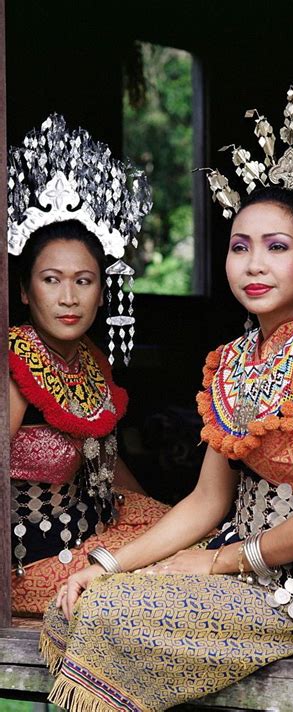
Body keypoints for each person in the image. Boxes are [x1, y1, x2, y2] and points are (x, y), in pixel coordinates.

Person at [40, 85, 293, 711]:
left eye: (277, 247)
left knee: (114, 621)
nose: (255, 263)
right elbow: (207, 498)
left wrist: (217, 565)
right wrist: (110, 564)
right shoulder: (231, 362)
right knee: (79, 601)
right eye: (240, 245)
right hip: (231, 556)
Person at [8, 116, 169, 615]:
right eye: (51, 279)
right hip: (30, 561)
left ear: (104, 292)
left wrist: (159, 522)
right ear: (23, 290)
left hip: (93, 531)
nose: (68, 297)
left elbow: (103, 461)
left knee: (190, 541)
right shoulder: (14, 362)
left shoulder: (90, 361)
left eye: (84, 281)